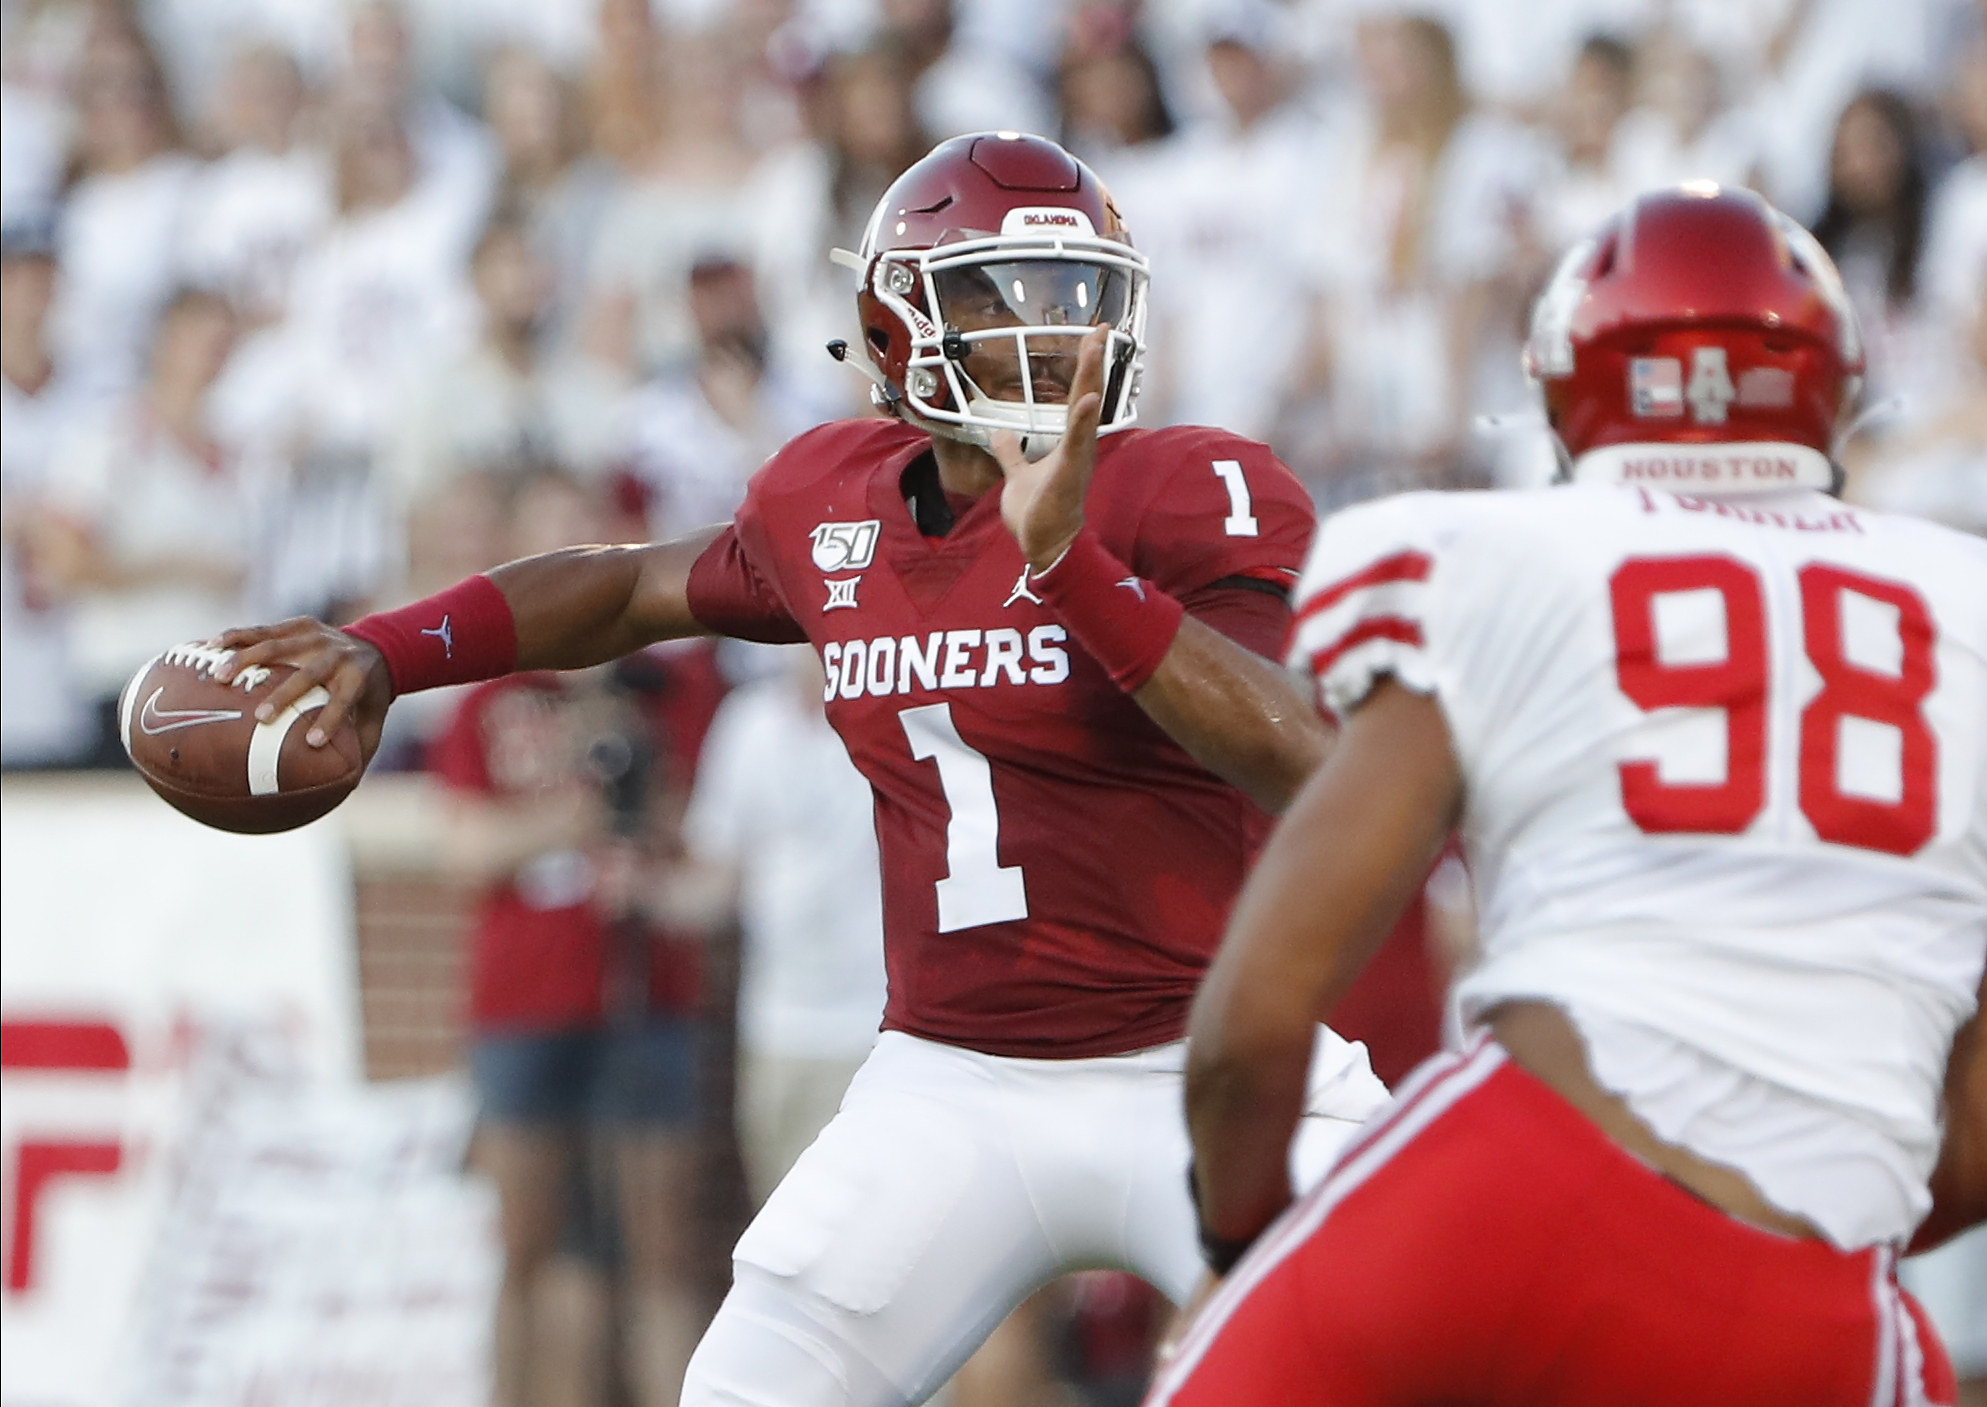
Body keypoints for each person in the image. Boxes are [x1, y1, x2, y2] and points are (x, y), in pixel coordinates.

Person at [210, 131, 1389, 1407]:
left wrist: (1075, 571)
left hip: (1214, 1057)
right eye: (1012, 299)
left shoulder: (1188, 487)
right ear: (897, 327)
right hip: (954, 1082)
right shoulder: (832, 502)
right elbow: (629, 587)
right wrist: (392, 653)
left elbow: (1308, 758)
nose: (1060, 338)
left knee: (1438, 1357)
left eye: (1082, 297)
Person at [1147, 185, 1986, 1407]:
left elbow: (1253, 1017)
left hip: (1520, 1191)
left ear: (1567, 382)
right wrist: (1778, 1249)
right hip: (1815, 1291)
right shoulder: (1963, 603)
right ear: (1832, 387)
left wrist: (1235, 1247)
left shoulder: (1502, 557)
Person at [435, 469, 717, 1407]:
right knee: (530, 1244)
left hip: (649, 986)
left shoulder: (671, 684)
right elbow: (467, 849)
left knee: (662, 1248)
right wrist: (583, 813)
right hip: (524, 997)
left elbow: (706, 830)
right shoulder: (486, 698)